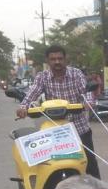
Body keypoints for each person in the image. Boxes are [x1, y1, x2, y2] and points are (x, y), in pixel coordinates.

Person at [16, 45, 101, 179]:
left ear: (65, 59)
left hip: (79, 128)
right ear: (47, 61)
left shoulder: (76, 74)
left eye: (60, 58)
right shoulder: (42, 77)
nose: (57, 62)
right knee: (54, 164)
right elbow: (32, 93)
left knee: (89, 163)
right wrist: (23, 106)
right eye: (53, 59)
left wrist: (88, 103)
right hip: (56, 131)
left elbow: (86, 92)